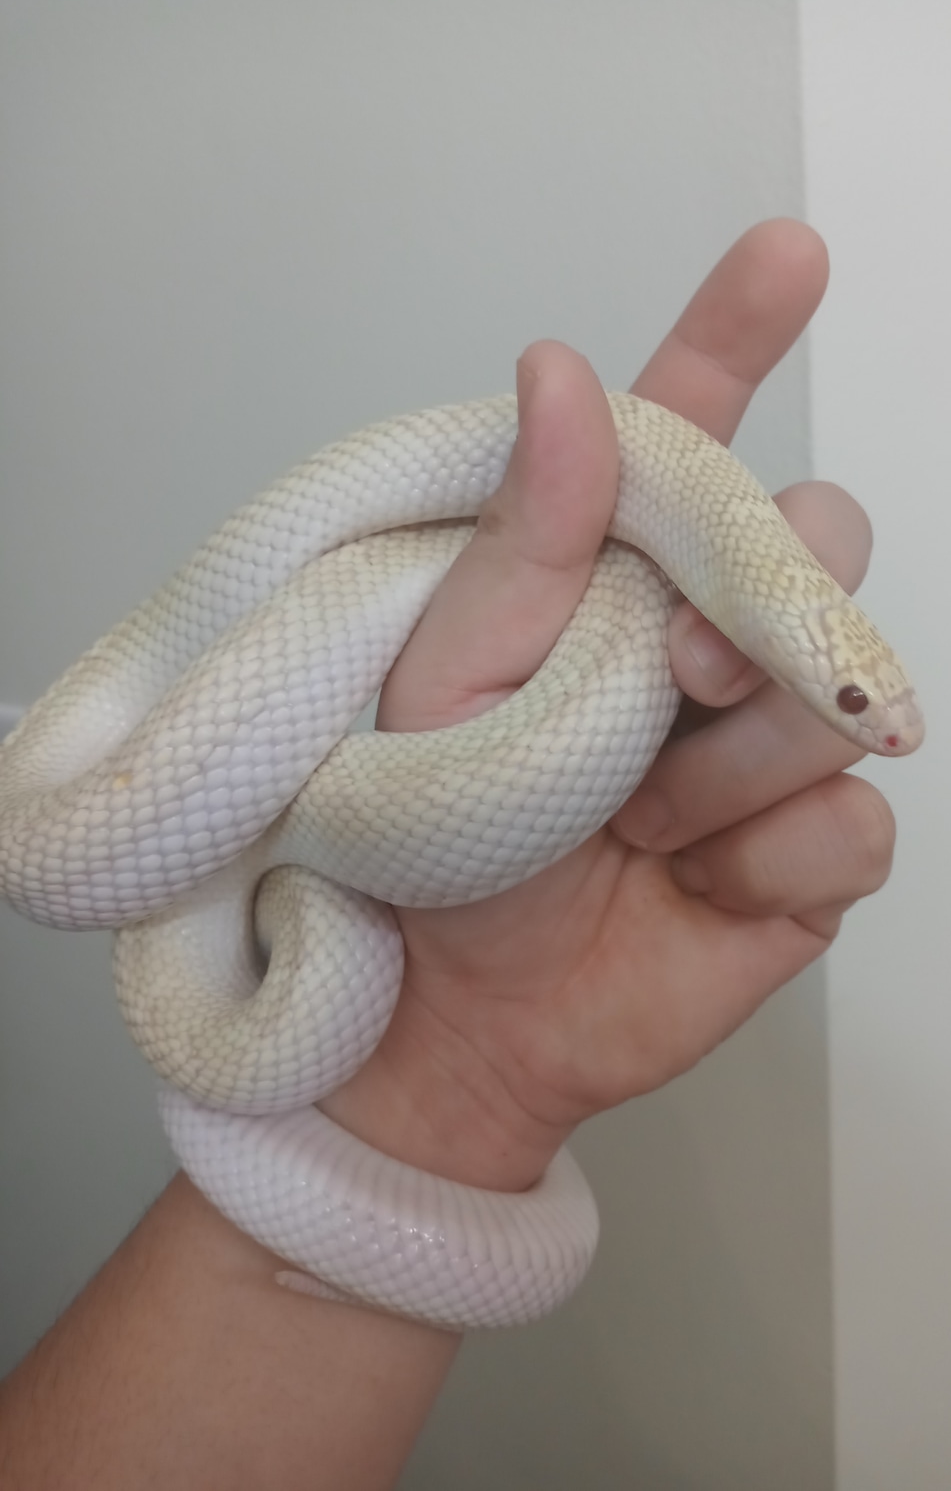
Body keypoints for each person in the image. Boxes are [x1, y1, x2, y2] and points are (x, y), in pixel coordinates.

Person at [0, 219, 896, 1489]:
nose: (881, 728)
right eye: (859, 703)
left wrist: (461, 1092)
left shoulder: (685, 555)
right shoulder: (69, 841)